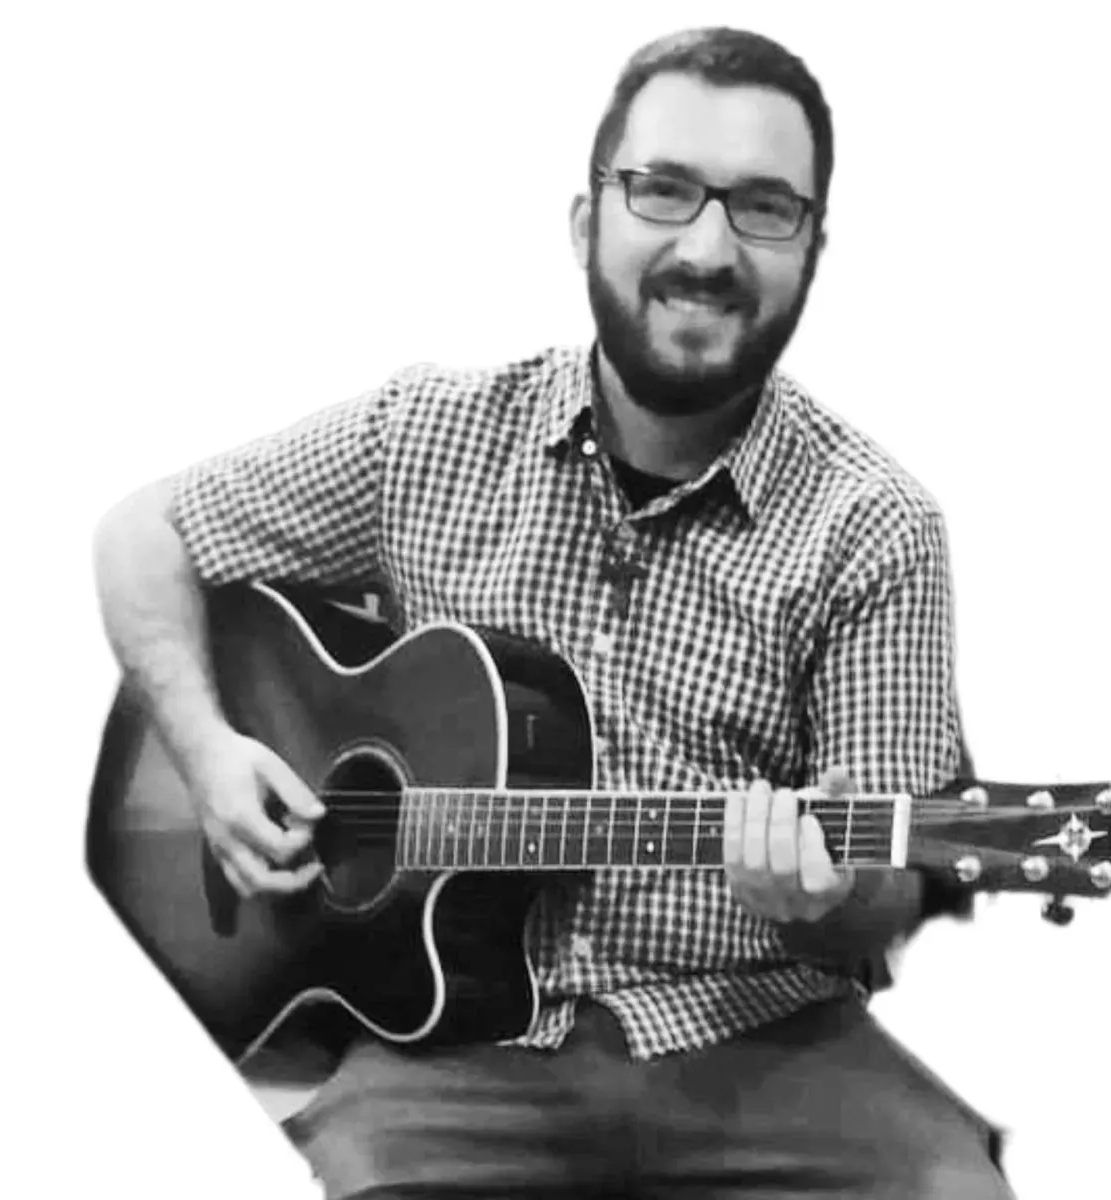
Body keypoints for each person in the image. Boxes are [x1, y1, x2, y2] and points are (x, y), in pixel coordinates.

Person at [93, 25, 1013, 1200]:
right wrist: (208, 749)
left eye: (764, 208)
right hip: (445, 1053)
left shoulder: (876, 524)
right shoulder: (424, 434)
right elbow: (143, 536)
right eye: (663, 188)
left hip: (762, 1039)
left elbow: (883, 885)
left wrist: (822, 901)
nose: (708, 248)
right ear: (586, 223)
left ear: (813, 253)